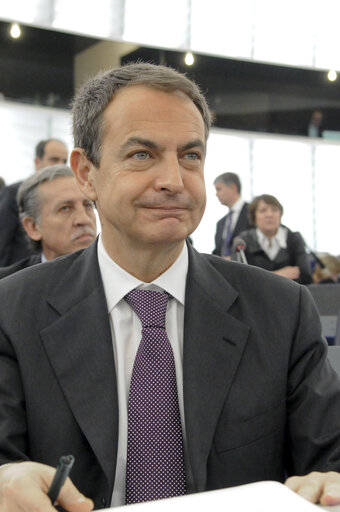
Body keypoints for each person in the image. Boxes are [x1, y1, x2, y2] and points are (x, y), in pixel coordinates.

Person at [0, 63, 340, 512]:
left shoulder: (281, 310)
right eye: (142, 154)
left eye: (190, 156)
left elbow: (328, 455)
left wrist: (329, 482)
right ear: (86, 174)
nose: (174, 181)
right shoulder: (13, 312)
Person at [0, 165, 97, 279]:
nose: (84, 219)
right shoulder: (7, 287)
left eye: (87, 205)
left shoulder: (118, 274)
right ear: (33, 227)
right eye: (65, 208)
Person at [0, 138, 68, 267]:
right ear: (38, 162)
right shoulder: (12, 194)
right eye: (54, 159)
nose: (60, 165)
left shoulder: (69, 199)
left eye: (64, 161)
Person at [232, 194, 313, 285]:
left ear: (280, 214)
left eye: (274, 210)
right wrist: (281, 274)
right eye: (263, 211)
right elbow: (240, 280)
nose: (269, 215)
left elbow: (306, 277)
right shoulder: (243, 241)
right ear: (254, 217)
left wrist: (259, 278)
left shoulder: (294, 238)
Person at [212, 172, 251, 257]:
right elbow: (218, 251)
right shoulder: (220, 223)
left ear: (233, 187)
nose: (216, 194)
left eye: (219, 189)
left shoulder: (253, 213)